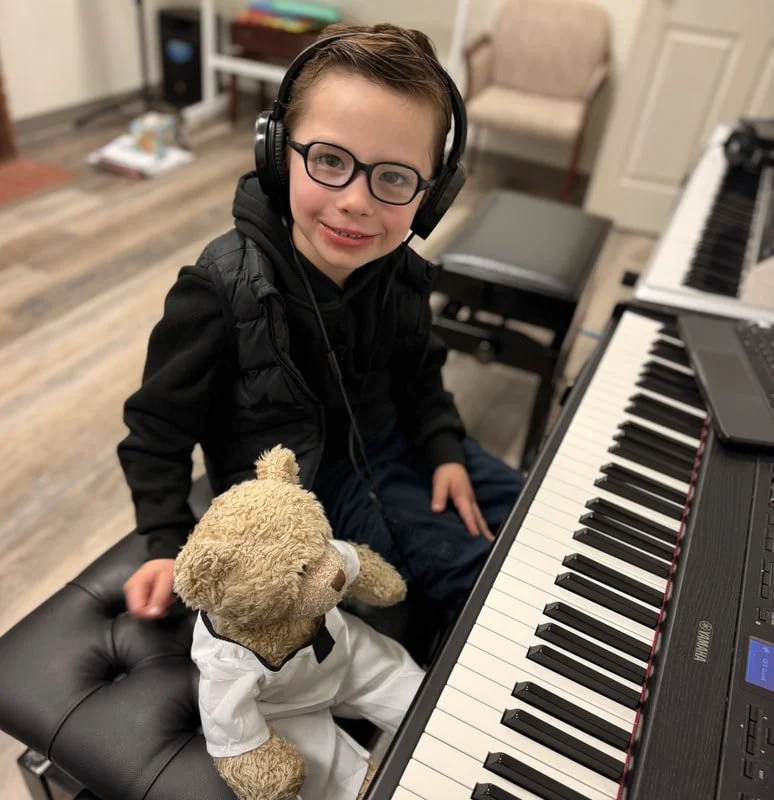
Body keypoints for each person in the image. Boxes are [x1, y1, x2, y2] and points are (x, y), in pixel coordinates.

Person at [119, 22, 524, 633]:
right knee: (482, 585)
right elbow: (157, 432)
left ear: (432, 197)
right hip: (298, 489)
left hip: (397, 440)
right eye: (330, 160)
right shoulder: (217, 290)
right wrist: (162, 540)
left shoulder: (399, 273)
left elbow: (421, 374)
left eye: (394, 177)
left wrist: (444, 449)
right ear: (278, 153)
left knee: (538, 514)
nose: (357, 201)